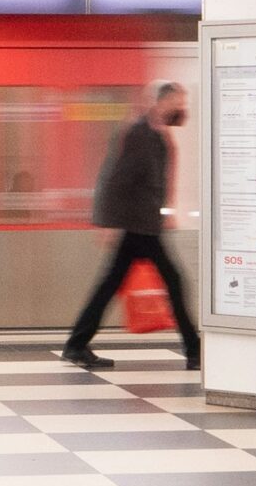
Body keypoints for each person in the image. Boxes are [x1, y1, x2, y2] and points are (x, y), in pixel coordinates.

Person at [61, 81, 201, 372]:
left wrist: (164, 212)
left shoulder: (156, 134)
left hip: (144, 225)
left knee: (111, 285)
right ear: (163, 102)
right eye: (178, 101)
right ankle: (194, 350)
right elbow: (116, 179)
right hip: (136, 227)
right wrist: (107, 223)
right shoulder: (140, 133)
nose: (182, 108)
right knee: (172, 282)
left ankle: (76, 344)